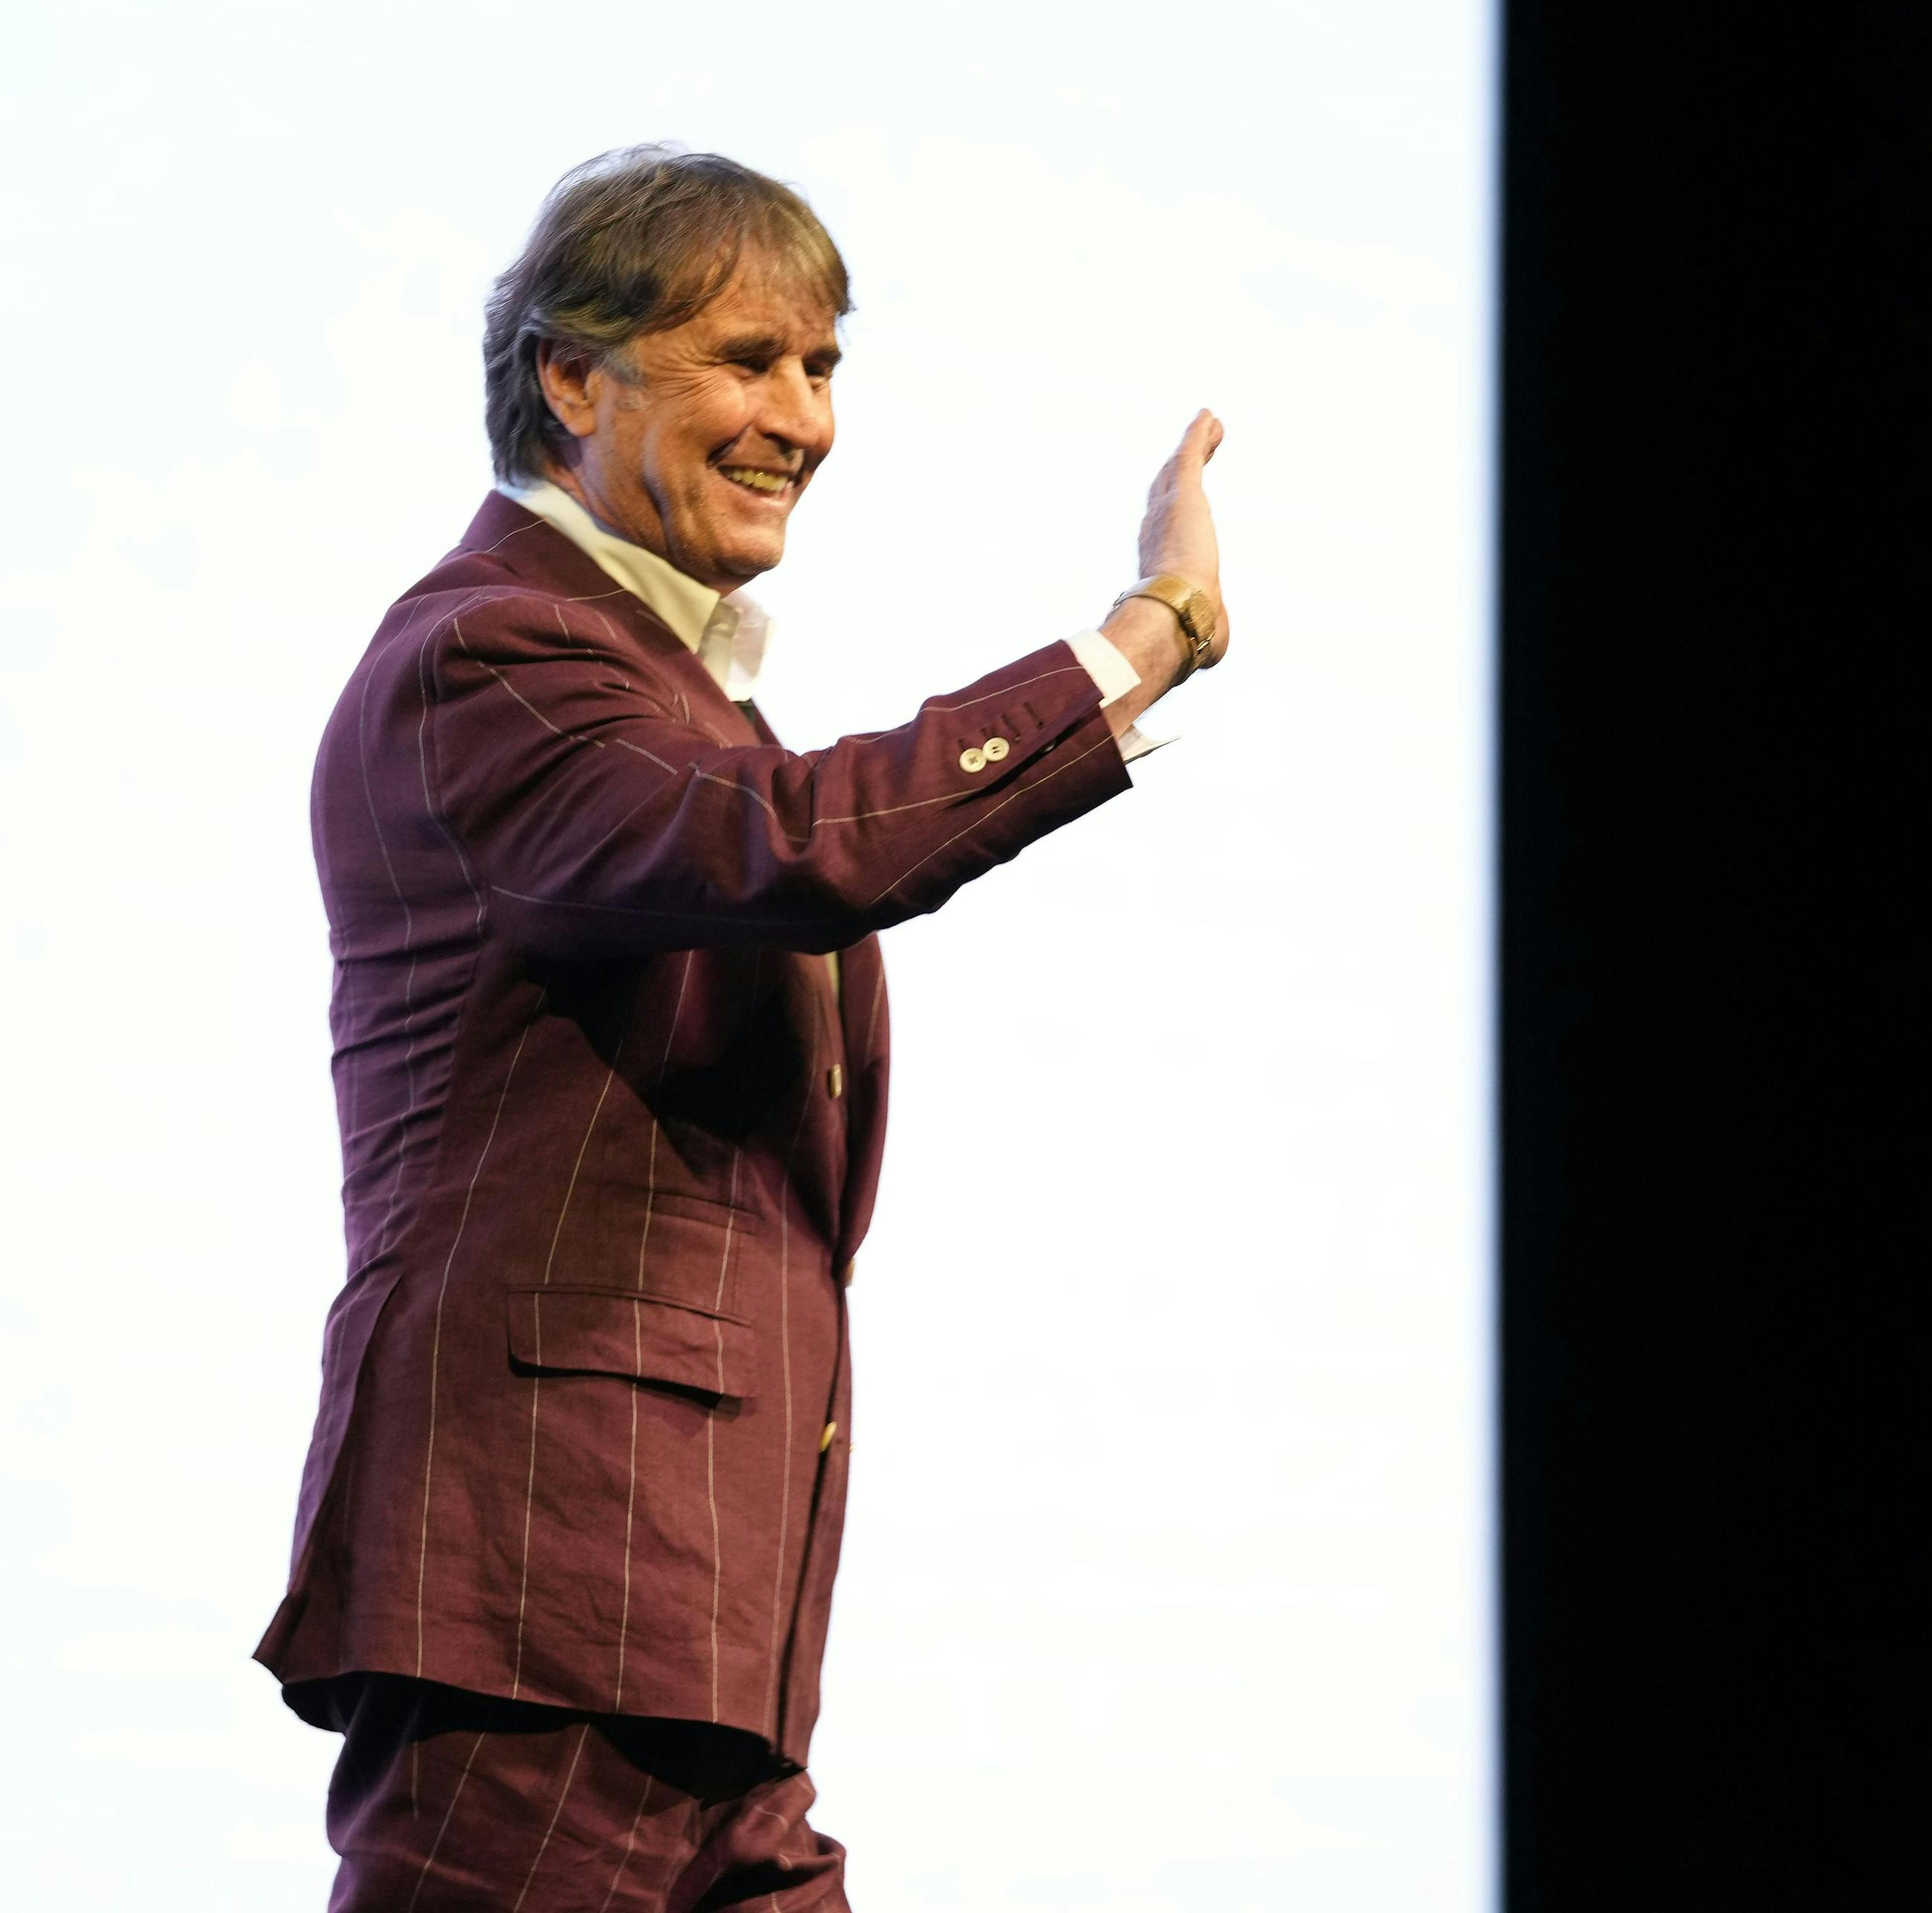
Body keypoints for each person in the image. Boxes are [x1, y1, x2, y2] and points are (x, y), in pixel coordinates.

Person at [256, 145, 1229, 1911]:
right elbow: (796, 844)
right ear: (574, 377)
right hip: (540, 1616)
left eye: (826, 366)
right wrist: (1129, 648)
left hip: (696, 1647)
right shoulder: (492, 656)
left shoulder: (665, 687)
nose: (804, 415)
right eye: (751, 359)